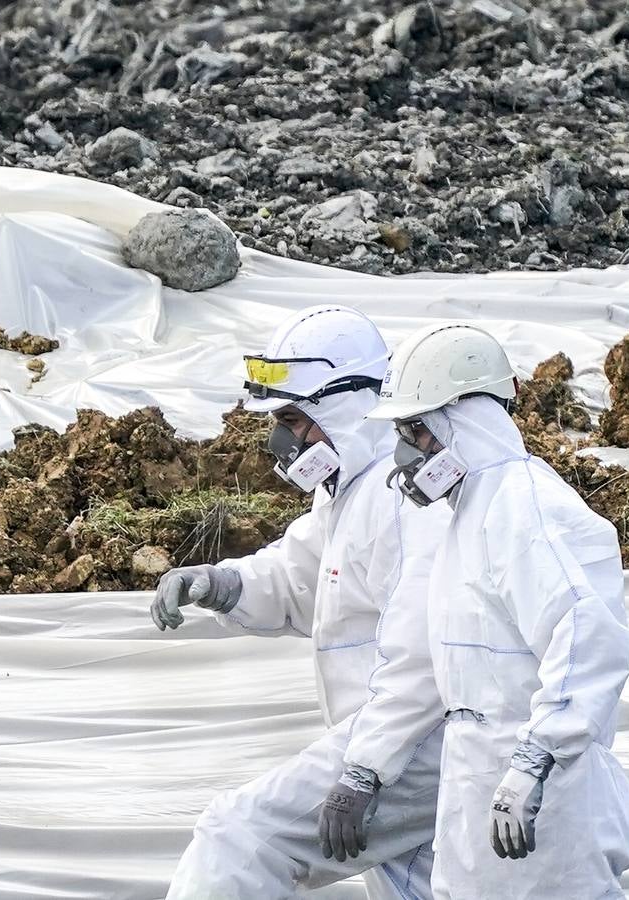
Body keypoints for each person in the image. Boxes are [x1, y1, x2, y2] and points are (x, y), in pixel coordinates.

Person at [152, 305, 448, 900]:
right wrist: (220, 583)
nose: (281, 440)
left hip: (413, 741)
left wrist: (366, 769)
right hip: (397, 740)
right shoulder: (351, 493)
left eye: (293, 418)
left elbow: (428, 656)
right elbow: (298, 577)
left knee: (238, 839)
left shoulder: (404, 504)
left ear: (344, 407)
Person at [365, 323, 629, 899]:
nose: (405, 453)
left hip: (542, 792)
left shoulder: (525, 506)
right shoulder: (468, 513)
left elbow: (585, 629)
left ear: (463, 422)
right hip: (477, 781)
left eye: (416, 431)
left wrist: (536, 759)